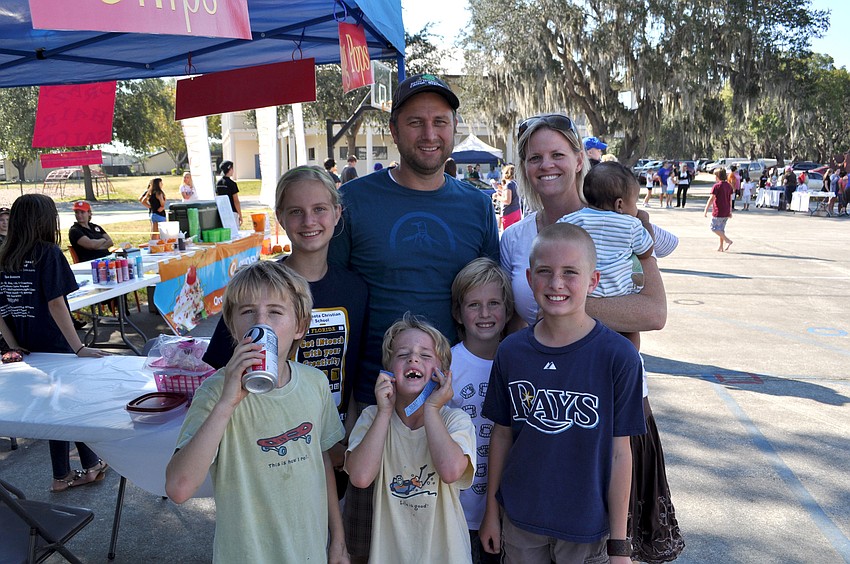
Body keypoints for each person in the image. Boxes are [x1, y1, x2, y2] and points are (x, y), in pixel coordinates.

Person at [328, 72, 500, 563]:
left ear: (454, 127)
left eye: (440, 122)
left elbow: (492, 298)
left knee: (447, 532)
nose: (429, 134)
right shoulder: (354, 201)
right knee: (374, 538)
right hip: (375, 401)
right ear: (394, 129)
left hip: (454, 401)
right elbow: (333, 297)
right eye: (416, 122)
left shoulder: (476, 205)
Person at [499, 113, 681, 563]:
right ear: (523, 167)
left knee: (607, 545)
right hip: (542, 406)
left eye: (558, 154)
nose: (546, 165)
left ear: (580, 159)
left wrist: (562, 311)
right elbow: (512, 322)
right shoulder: (514, 238)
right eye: (534, 157)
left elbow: (653, 312)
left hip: (611, 409)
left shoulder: (620, 221)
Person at [480, 222, 645, 563]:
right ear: (529, 279)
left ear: (592, 281)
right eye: (545, 271)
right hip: (521, 520)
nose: (556, 283)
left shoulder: (618, 356)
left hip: (586, 527)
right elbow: (501, 435)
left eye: (570, 272)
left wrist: (619, 544)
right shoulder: (511, 351)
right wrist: (491, 512)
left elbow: (620, 454)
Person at [200, 165, 368, 498]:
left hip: (330, 445)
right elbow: (221, 372)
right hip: (266, 446)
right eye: (296, 212)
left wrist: (344, 438)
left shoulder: (355, 289)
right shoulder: (259, 290)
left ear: (337, 213)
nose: (309, 221)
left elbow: (353, 369)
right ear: (280, 217)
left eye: (319, 209)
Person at [165, 260, 348, 563]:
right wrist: (227, 403)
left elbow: (322, 461)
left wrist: (338, 539)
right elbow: (179, 488)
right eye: (248, 311)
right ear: (232, 326)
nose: (260, 322)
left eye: (275, 312)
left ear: (300, 326)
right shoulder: (214, 393)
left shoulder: (315, 383)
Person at [345, 313, 475, 564]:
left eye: (425, 356)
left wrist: (431, 409)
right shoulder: (373, 417)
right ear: (388, 370)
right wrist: (384, 412)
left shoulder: (455, 420)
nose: (413, 358)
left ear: (442, 374)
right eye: (403, 354)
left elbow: (450, 472)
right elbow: (360, 478)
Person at [0, 194, 110, 492]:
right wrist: (78, 347)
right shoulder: (47, 253)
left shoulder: (4, 254)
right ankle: (79, 470)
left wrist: (13, 344)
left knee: (56, 407)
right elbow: (56, 304)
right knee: (71, 405)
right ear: (44, 221)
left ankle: (71, 471)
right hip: (57, 344)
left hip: (27, 347)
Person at [448, 258, 513, 564]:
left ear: (508, 311)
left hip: (507, 511)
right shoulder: (447, 364)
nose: (485, 313)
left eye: (494, 304)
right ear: (458, 313)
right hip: (454, 510)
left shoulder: (519, 361)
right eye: (474, 305)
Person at [558, 161, 654, 348]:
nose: (636, 209)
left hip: (584, 293)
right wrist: (645, 221)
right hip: (619, 296)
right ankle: (632, 358)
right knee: (630, 334)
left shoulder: (571, 220)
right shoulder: (631, 224)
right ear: (620, 204)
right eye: (634, 203)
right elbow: (646, 251)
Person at [704, 167, 734, 252]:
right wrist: (730, 211)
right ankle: (721, 247)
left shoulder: (716, 186)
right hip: (726, 211)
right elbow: (730, 199)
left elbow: (711, 198)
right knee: (721, 229)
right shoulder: (728, 186)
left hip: (718, 211)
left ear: (718, 176)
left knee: (713, 228)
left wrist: (706, 210)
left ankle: (727, 240)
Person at [495, 164, 521, 230]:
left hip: (509, 212)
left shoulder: (509, 184)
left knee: (507, 233)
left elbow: (507, 201)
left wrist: (497, 197)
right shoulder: (515, 183)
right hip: (517, 211)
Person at [215, 160, 242, 226]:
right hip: (232, 211)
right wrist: (240, 215)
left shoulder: (218, 183)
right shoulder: (232, 184)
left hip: (222, 211)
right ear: (230, 169)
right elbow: (236, 201)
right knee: (234, 230)